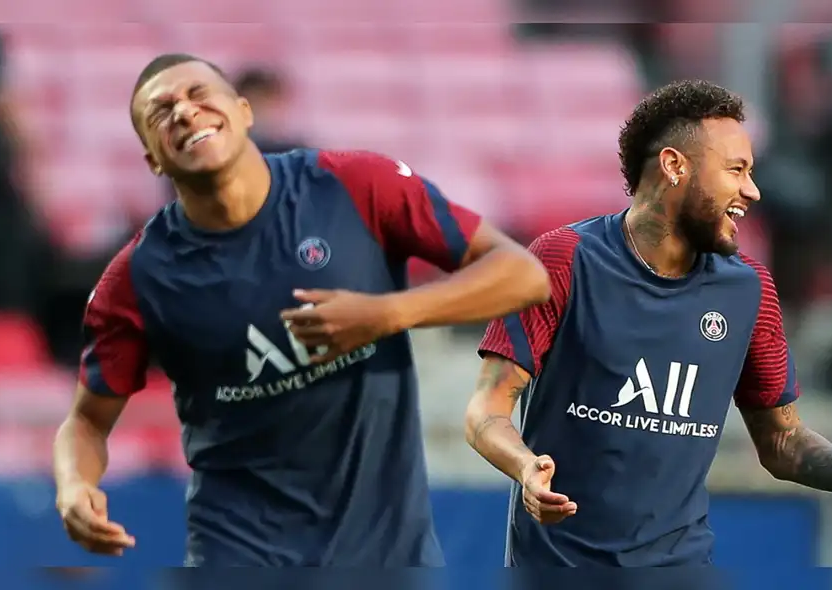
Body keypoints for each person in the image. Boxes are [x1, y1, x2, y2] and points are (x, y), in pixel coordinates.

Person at [52, 53, 551, 567]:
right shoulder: (138, 276)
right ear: (153, 159)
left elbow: (525, 275)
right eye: (161, 112)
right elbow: (86, 422)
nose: (183, 112)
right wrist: (74, 484)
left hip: (387, 558)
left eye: (198, 94)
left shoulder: (353, 186)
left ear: (245, 111)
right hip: (237, 557)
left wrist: (387, 314)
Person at [465, 79, 832, 567]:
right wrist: (525, 467)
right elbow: (485, 412)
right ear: (674, 166)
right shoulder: (563, 260)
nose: (752, 191)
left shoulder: (748, 289)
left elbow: (782, 443)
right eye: (735, 170)